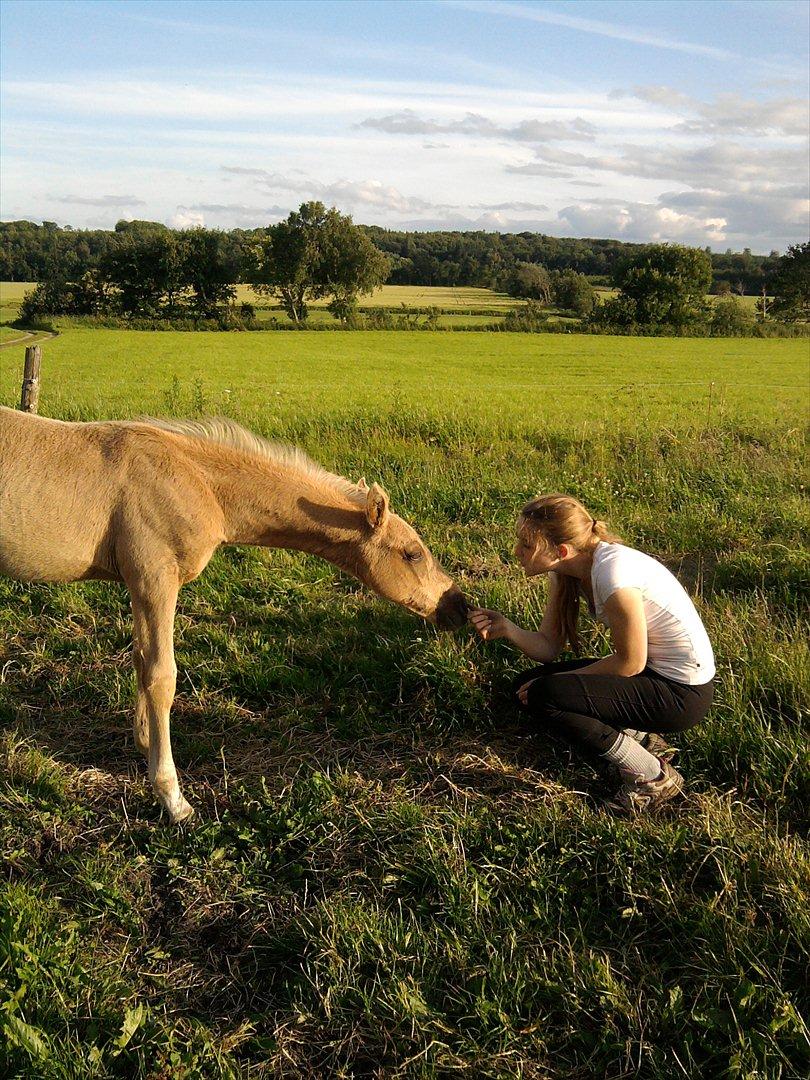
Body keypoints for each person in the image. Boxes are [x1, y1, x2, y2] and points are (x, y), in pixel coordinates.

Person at [468, 494, 715, 815]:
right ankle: (641, 738)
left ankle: (653, 777)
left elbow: (630, 663)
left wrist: (563, 681)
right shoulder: (567, 571)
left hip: (682, 696)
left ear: (561, 551)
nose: (517, 552)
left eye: (526, 545)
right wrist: (509, 629)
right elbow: (547, 646)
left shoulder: (614, 575)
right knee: (526, 685)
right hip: (654, 677)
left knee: (546, 693)